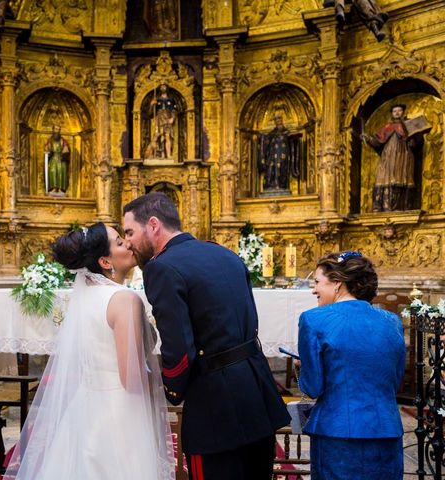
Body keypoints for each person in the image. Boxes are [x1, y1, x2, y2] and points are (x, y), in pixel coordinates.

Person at [123, 192, 290, 480]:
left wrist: (171, 388)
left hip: (215, 404)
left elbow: (179, 348)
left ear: (153, 225)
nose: (128, 243)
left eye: (129, 232)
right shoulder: (224, 253)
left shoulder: (161, 268)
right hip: (256, 390)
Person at [3, 223, 175, 480]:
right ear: (105, 261)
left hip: (85, 406)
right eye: (119, 242)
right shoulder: (124, 300)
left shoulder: (84, 298)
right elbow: (131, 378)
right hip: (120, 410)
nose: (128, 244)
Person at [297, 251, 405, 480]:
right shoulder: (391, 321)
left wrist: (302, 366)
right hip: (385, 429)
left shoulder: (313, 319)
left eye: (317, 282)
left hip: (337, 432)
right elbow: (394, 379)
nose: (314, 289)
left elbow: (313, 387)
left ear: (337, 283)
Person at [361, 104, 417, 212]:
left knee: (401, 177)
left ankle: (400, 206)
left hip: (403, 155)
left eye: (399, 110)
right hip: (388, 156)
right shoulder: (387, 127)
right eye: (394, 111)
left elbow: (416, 141)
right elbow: (377, 141)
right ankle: (383, 206)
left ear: (403, 112)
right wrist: (367, 138)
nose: (396, 113)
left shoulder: (408, 125)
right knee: (384, 176)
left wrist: (413, 140)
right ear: (391, 113)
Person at [259, 114, 300, 192]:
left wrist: (294, 139)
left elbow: (292, 142)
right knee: (271, 169)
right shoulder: (272, 133)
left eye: (279, 119)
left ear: (281, 121)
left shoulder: (286, 132)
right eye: (276, 120)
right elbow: (266, 141)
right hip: (272, 156)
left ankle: (282, 185)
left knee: (282, 169)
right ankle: (271, 185)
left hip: (283, 155)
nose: (278, 121)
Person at [146, 83, 175, 160]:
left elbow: (174, 110)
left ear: (167, 88)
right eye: (161, 87)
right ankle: (161, 154)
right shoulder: (156, 99)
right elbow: (150, 114)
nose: (163, 88)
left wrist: (173, 118)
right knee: (159, 136)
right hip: (159, 119)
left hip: (167, 118)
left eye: (164, 86)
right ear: (159, 88)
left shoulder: (171, 99)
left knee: (167, 136)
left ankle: (168, 154)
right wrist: (151, 105)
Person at [44, 124, 71, 194]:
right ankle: (53, 188)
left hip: (61, 158)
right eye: (56, 129)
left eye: (59, 129)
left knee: (61, 172)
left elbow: (66, 148)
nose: (57, 131)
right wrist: (48, 150)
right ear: (53, 130)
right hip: (53, 158)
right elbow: (46, 149)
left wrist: (65, 150)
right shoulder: (50, 140)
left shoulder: (63, 140)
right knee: (53, 171)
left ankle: (60, 189)